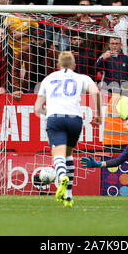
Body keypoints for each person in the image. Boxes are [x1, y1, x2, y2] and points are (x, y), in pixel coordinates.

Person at [34, 51, 102, 207]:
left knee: (58, 153)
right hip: (75, 120)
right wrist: (98, 115)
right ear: (74, 65)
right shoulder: (82, 78)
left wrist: (48, 112)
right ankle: (69, 196)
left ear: (58, 64)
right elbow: (96, 92)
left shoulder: (48, 79)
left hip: (55, 118)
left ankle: (62, 176)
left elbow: (37, 107)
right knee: (68, 154)